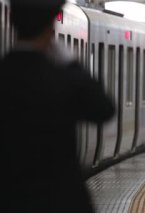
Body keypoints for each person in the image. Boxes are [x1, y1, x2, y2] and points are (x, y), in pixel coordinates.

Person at [0, 0, 114, 212]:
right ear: (50, 28)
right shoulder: (63, 79)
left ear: (11, 21)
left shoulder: (5, 75)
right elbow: (103, 109)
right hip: (61, 200)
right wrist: (72, 63)